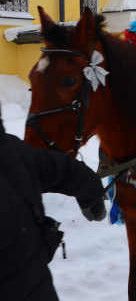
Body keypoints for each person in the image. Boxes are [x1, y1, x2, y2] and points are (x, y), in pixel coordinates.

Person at [0, 103, 107, 301]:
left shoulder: (13, 153)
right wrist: (91, 191)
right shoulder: (13, 153)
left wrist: (91, 191)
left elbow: (61, 170)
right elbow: (62, 170)